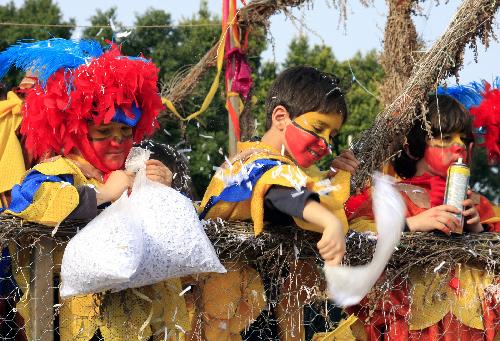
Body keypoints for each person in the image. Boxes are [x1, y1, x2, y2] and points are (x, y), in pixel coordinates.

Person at [0, 38, 189, 340]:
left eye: (125, 131)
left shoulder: (136, 172)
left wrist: (165, 191)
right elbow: (31, 202)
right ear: (77, 132)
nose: (117, 141)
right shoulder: (57, 171)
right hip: (70, 324)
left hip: (141, 323)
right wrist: (102, 195)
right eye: (104, 132)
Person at [198, 66, 359, 341]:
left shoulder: (291, 172)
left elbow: (300, 187)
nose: (324, 144)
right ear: (281, 117)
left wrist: (335, 178)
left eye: (331, 136)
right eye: (319, 128)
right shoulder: (252, 165)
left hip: (273, 312)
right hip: (238, 315)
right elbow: (279, 193)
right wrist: (329, 221)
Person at [346, 94, 499, 340]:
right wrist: (412, 224)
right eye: (445, 137)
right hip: (413, 325)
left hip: (472, 328)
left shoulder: (481, 204)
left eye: (464, 138)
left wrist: (480, 233)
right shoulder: (390, 196)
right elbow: (355, 240)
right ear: (413, 147)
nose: (458, 145)